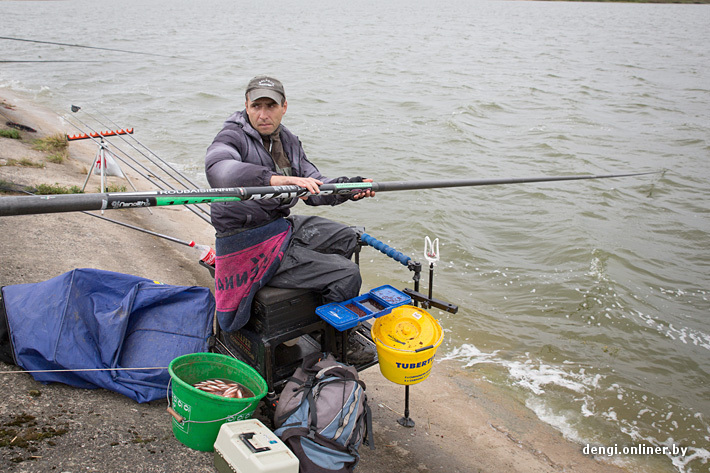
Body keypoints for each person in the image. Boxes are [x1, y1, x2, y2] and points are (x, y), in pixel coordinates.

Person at [204, 75, 375, 335]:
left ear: (284, 107)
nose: (263, 114)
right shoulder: (231, 135)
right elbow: (219, 170)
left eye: (270, 106)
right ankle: (334, 342)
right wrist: (273, 179)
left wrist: (346, 188)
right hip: (246, 241)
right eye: (256, 106)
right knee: (347, 274)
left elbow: (314, 187)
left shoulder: (289, 140)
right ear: (246, 106)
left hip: (278, 227)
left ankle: (319, 306)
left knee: (347, 237)